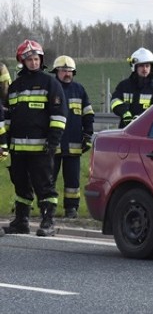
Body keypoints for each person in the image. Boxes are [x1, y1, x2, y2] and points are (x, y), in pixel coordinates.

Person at [3, 39, 68, 237]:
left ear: (41, 60)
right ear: (22, 61)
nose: (34, 62)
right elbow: (7, 118)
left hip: (42, 148)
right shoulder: (15, 86)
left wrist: (53, 141)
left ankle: (48, 222)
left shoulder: (50, 83)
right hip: (18, 149)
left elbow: (59, 115)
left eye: (36, 58)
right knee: (20, 185)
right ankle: (21, 221)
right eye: (29, 59)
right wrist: (5, 142)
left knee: (44, 186)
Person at [50, 56, 94, 219]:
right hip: (54, 144)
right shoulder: (51, 88)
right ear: (57, 72)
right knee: (49, 179)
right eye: (63, 70)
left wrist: (87, 135)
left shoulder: (79, 90)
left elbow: (88, 114)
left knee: (73, 181)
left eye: (69, 70)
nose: (67, 73)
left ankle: (71, 209)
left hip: (74, 144)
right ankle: (49, 207)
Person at [111, 47, 153, 128]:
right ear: (134, 67)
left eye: (147, 66)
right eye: (141, 66)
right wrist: (124, 113)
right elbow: (114, 101)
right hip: (125, 129)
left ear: (151, 67)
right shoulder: (124, 85)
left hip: (145, 131)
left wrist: (140, 117)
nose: (145, 69)